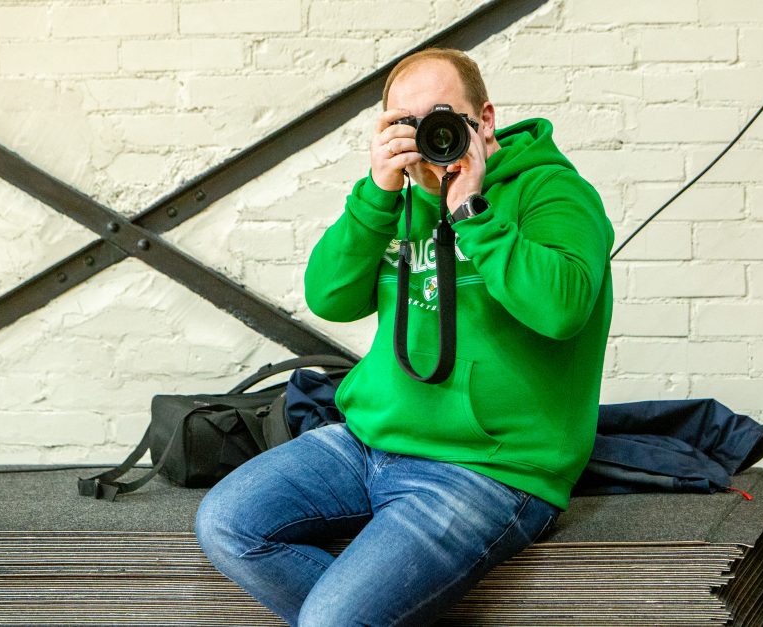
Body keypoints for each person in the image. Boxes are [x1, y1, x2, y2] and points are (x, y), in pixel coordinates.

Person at [195, 48, 614, 626]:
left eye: (443, 117)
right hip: (369, 441)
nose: (427, 135)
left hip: (489, 468)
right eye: (406, 123)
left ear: (484, 121)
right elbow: (330, 298)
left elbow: (562, 309)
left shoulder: (552, 193)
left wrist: (472, 211)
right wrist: (376, 193)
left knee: (332, 620)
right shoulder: (394, 200)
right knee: (226, 522)